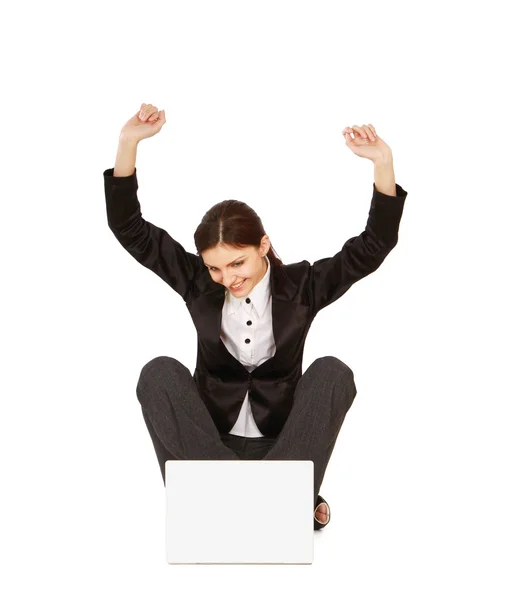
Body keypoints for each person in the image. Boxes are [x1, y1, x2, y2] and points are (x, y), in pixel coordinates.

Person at [103, 103, 408, 531]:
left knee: (333, 373)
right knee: (158, 373)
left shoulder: (302, 286)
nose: (227, 279)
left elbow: (373, 247)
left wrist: (382, 162)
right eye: (215, 268)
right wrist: (128, 143)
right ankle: (266, 503)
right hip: (206, 447)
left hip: (282, 449)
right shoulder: (198, 283)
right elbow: (130, 229)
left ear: (263, 246)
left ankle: (258, 499)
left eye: (237, 264)